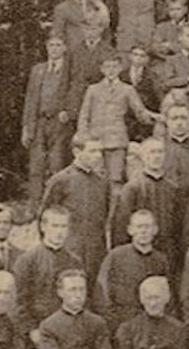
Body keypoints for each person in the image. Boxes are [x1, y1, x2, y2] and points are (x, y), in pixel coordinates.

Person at [76, 54, 158, 186]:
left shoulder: (127, 89)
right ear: (102, 69)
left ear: (120, 68)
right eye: (107, 67)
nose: (111, 70)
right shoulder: (93, 89)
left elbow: (140, 111)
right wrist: (83, 136)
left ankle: (114, 206)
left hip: (117, 141)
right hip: (95, 140)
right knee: (94, 179)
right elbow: (84, 115)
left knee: (115, 179)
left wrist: (155, 117)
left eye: (114, 66)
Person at [43, 137, 112, 282]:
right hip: (69, 251)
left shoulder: (102, 183)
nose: (98, 155)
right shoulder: (61, 180)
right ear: (76, 152)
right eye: (92, 151)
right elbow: (44, 217)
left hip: (96, 251)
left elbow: (103, 217)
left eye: (100, 151)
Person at [23, 35, 76, 206]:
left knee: (57, 163)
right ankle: (35, 206)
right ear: (47, 47)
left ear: (64, 48)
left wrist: (68, 110)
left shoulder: (70, 70)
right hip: (39, 122)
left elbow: (76, 92)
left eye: (58, 45)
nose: (54, 48)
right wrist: (26, 127)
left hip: (59, 124)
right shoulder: (38, 70)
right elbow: (30, 100)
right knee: (36, 165)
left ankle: (55, 205)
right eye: (51, 45)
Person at [14, 206, 86, 333]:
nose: (59, 232)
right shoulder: (27, 260)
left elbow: (81, 297)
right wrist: (31, 329)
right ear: (43, 227)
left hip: (68, 327)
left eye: (63, 226)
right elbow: (20, 300)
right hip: (39, 327)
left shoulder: (75, 261)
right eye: (55, 226)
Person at [97, 208, 169, 329]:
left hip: (152, 323)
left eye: (147, 227)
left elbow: (166, 295)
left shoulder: (160, 260)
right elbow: (102, 293)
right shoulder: (116, 256)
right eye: (139, 227)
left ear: (155, 230)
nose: (143, 231)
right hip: (123, 323)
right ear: (130, 230)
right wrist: (114, 323)